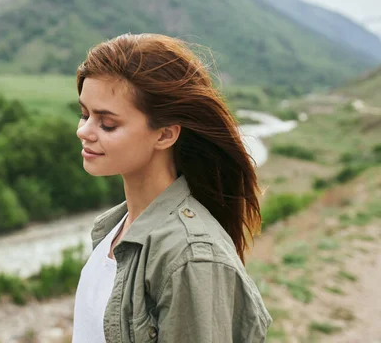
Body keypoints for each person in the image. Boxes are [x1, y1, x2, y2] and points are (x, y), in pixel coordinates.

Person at [71, 33, 272, 343]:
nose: (83, 131)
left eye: (107, 123)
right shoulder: (114, 229)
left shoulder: (190, 257)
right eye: (85, 114)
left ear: (164, 135)